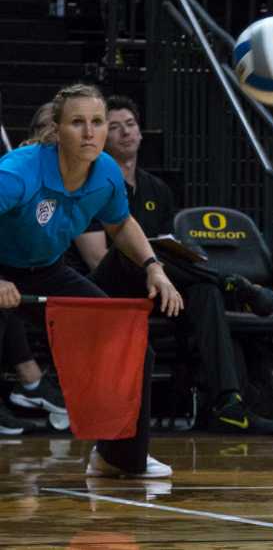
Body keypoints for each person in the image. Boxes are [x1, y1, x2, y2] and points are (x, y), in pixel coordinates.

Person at [69, 96, 273, 435]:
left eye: (131, 125)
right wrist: (153, 261)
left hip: (159, 283)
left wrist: (165, 267)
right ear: (102, 137)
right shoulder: (87, 182)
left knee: (204, 290)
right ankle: (231, 282)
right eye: (114, 127)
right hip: (103, 286)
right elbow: (97, 258)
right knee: (131, 252)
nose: (125, 132)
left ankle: (228, 403)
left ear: (141, 133)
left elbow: (173, 246)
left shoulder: (157, 188)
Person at [0, 83, 181, 478]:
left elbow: (120, 223)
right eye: (77, 123)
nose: (89, 132)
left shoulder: (106, 173)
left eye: (97, 122)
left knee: (126, 342)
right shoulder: (16, 173)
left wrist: (154, 267)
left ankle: (118, 457)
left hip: (46, 269)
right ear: (56, 131)